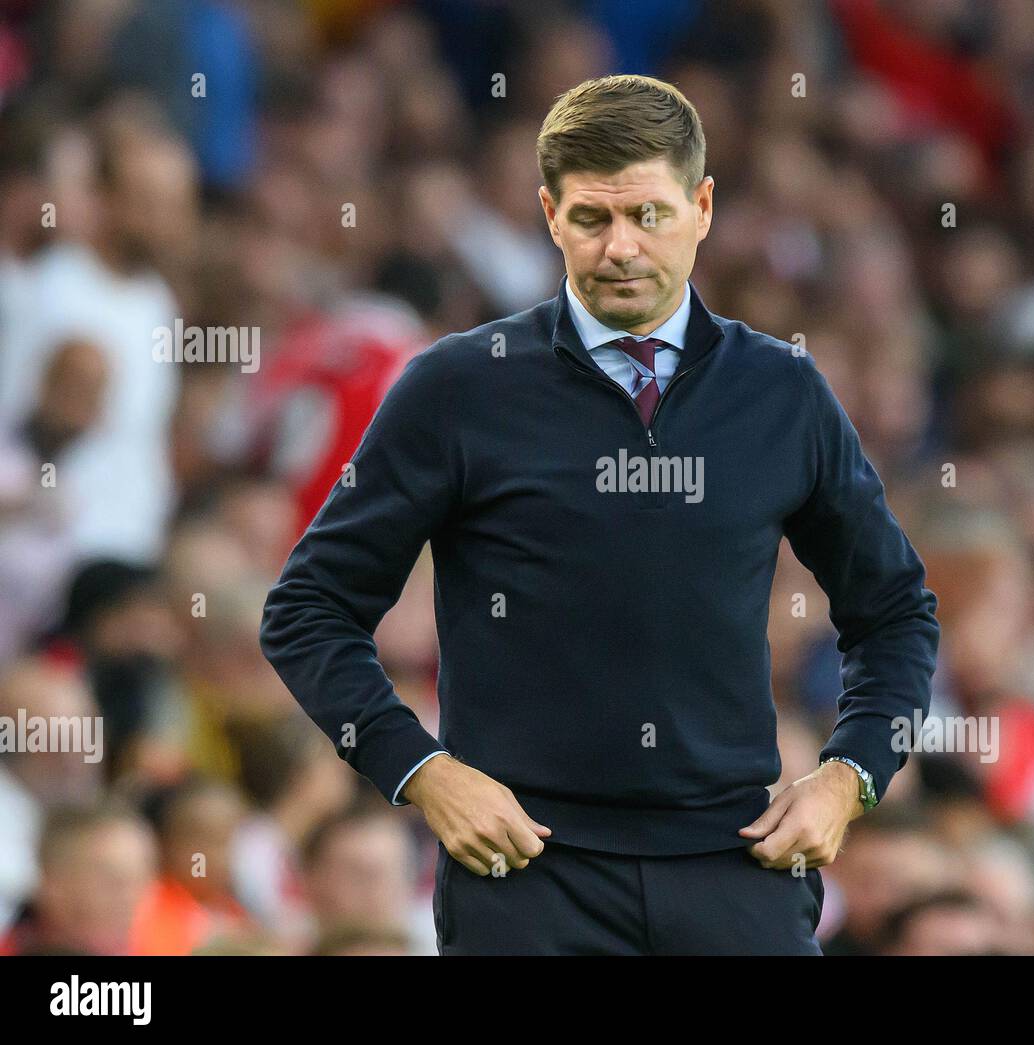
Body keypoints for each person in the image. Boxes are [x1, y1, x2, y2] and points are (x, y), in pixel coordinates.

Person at [261, 74, 939, 955]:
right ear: (549, 215)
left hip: (736, 863)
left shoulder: (783, 391)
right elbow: (306, 609)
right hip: (525, 873)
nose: (620, 247)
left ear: (701, 207)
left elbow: (895, 612)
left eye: (648, 215)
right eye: (591, 218)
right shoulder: (460, 387)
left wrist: (851, 776)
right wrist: (421, 772)